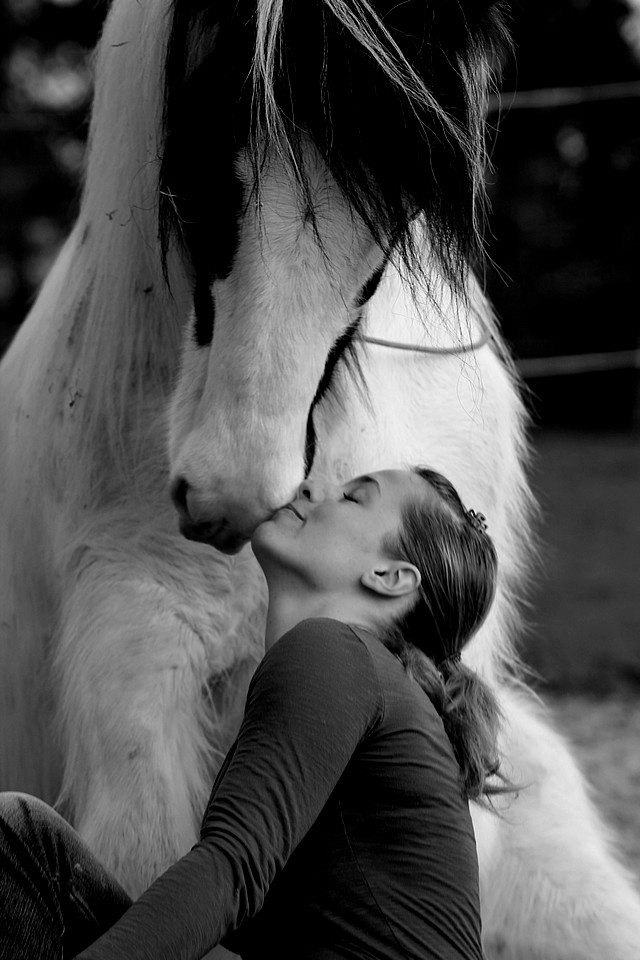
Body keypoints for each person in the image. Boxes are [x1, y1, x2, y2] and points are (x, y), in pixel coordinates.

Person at [0, 466, 507, 960]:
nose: (309, 486)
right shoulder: (364, 679)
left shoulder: (337, 652)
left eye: (353, 497)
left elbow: (232, 868)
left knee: (16, 839)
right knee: (33, 845)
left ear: (390, 577)